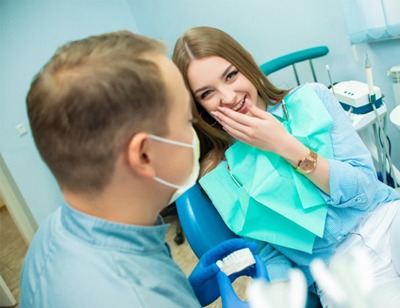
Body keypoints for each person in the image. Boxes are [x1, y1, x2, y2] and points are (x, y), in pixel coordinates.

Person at [19, 30, 260, 308]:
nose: (193, 131)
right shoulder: (138, 298)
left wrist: (185, 293)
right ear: (144, 155)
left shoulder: (50, 233)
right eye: (186, 120)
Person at [173, 26, 400, 307]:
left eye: (231, 75)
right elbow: (270, 250)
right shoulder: (219, 172)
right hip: (337, 270)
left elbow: (365, 190)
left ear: (246, 65)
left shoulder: (312, 98)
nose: (229, 97)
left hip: (386, 220)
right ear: (199, 106)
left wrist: (284, 145)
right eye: (208, 93)